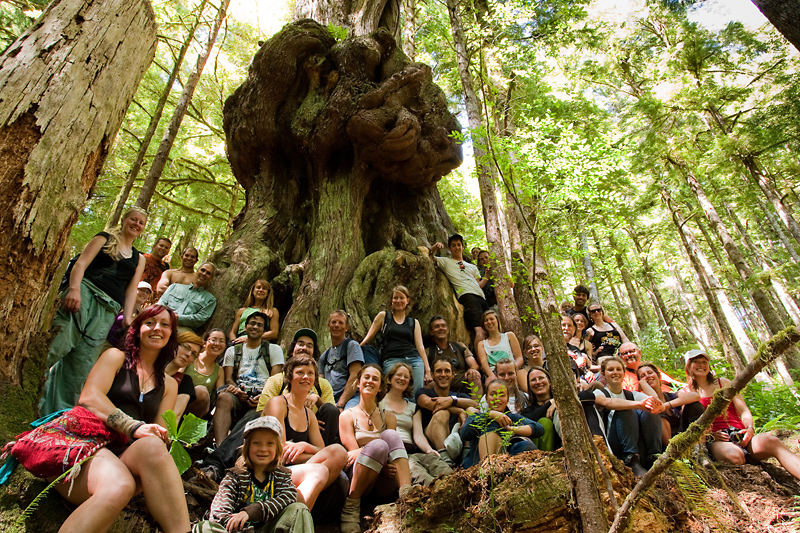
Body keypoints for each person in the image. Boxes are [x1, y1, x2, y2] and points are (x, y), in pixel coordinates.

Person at [57, 304, 189, 533]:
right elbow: (89, 397)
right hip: (89, 445)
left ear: (171, 335)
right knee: (120, 484)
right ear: (138, 329)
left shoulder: (169, 385)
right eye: (150, 322)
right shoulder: (115, 357)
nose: (157, 328)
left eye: (165, 325)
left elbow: (159, 432)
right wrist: (133, 426)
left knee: (154, 447)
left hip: (125, 455)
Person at [40, 206, 148, 415]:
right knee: (58, 345)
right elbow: (80, 264)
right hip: (85, 294)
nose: (136, 224)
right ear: (124, 220)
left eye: (141, 223)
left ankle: (55, 417)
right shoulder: (104, 239)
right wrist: (73, 290)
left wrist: (127, 319)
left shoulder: (139, 259)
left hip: (108, 310)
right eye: (133, 219)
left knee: (82, 364)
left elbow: (131, 289)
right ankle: (30, 394)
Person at [681, 350, 800, 480]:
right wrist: (710, 436)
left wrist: (749, 428)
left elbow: (743, 410)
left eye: (704, 362)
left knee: (771, 441)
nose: (701, 365)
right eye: (696, 362)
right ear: (688, 366)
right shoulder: (685, 392)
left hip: (741, 434)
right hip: (717, 441)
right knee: (734, 456)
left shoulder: (723, 383)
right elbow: (690, 425)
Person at [194, 416, 314, 533]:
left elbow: (288, 497)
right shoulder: (234, 477)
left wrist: (250, 512)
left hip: (267, 529)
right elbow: (218, 513)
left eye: (270, 443)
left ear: (278, 448)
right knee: (203, 527)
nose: (263, 449)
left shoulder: (281, 476)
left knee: (299, 509)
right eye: (256, 443)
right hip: (240, 531)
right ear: (247, 448)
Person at [265, 356, 348, 511]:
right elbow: (279, 452)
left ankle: (293, 507)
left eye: (310, 373)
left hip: (301, 472)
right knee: (321, 469)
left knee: (339, 453)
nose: (306, 377)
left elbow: (323, 451)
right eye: (300, 372)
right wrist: (312, 453)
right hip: (274, 471)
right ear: (289, 377)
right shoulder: (278, 404)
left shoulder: (309, 415)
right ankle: (292, 512)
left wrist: (303, 446)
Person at [339, 364, 411, 533]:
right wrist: (378, 455)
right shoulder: (347, 416)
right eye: (367, 377)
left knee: (391, 437)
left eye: (375, 379)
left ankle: (408, 496)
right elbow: (352, 454)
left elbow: (392, 449)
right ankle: (351, 506)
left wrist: (385, 462)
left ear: (380, 387)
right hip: (359, 478)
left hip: (385, 477)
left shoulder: (389, 417)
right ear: (358, 383)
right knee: (379, 445)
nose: (370, 381)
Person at [257, 329, 339, 446]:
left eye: (309, 346)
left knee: (330, 411)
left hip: (314, 429)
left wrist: (316, 401)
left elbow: (331, 412)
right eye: (300, 344)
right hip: (283, 425)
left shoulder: (323, 384)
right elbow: (262, 411)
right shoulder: (276, 380)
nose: (304, 348)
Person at [214, 312, 284, 445]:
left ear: (264, 330)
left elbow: (275, 380)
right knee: (223, 398)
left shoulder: (274, 349)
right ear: (245, 327)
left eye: (259, 325)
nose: (255, 327)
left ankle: (225, 451)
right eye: (252, 323)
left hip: (262, 396)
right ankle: (219, 445)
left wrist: (264, 396)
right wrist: (235, 390)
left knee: (255, 414)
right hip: (239, 393)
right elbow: (228, 378)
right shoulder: (233, 351)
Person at [380, 363, 452, 485]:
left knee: (440, 466)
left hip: (411, 451)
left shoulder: (413, 407)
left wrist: (429, 450)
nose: (402, 378)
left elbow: (418, 435)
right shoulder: (379, 403)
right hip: (393, 453)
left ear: (409, 382)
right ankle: (433, 497)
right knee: (421, 475)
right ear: (390, 378)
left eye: (406, 377)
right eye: (398, 375)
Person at [593, 357, 663, 476]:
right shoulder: (600, 392)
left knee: (651, 411)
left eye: (618, 369)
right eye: (611, 369)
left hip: (637, 442)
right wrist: (638, 405)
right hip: (616, 445)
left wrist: (642, 382)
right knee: (627, 409)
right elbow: (606, 403)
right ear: (603, 374)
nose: (615, 372)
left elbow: (656, 401)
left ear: (624, 373)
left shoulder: (631, 394)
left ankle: (654, 456)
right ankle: (631, 460)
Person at [360, 286, 431, 394]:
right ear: (391, 300)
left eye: (401, 298)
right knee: (390, 392)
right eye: (395, 298)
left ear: (407, 300)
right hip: (391, 359)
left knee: (415, 394)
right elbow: (369, 337)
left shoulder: (413, 322)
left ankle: (413, 411)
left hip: (413, 360)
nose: (398, 301)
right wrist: (356, 348)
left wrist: (428, 370)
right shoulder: (384, 317)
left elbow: (420, 346)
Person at [459, 379, 542, 468]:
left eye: (502, 395)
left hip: (507, 460)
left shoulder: (511, 418)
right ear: (486, 399)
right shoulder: (477, 417)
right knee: (493, 423)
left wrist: (510, 428)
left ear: (507, 400)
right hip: (476, 464)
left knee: (526, 445)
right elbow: (464, 433)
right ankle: (487, 469)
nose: (497, 398)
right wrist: (489, 415)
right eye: (493, 394)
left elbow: (538, 428)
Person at [429, 234, 490, 344]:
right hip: (467, 296)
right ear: (449, 248)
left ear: (462, 247)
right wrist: (434, 247)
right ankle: (481, 360)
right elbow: (427, 256)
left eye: (458, 245)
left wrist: (487, 276)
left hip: (481, 297)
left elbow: (479, 284)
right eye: (453, 246)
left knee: (489, 331)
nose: (457, 248)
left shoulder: (472, 266)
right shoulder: (446, 262)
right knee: (479, 330)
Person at [415, 358, 479, 460]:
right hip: (433, 441)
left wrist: (452, 400)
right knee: (442, 413)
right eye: (439, 371)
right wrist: (459, 411)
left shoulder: (458, 396)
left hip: (456, 439)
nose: (443, 374)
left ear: (453, 374)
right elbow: (429, 403)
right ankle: (445, 459)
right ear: (432, 375)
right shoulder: (423, 392)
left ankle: (467, 456)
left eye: (447, 371)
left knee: (471, 411)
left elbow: (476, 405)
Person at [637, 362, 701, 447]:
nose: (647, 376)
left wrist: (664, 406)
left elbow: (695, 396)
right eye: (642, 376)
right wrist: (643, 383)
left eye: (650, 373)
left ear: (658, 376)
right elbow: (655, 399)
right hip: (667, 447)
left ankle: (700, 447)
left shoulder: (671, 396)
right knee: (655, 409)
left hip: (685, 437)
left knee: (695, 406)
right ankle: (674, 453)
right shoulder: (643, 403)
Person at [426, 315, 482, 397]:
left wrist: (472, 370)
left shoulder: (459, 346)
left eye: (443, 326)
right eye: (437, 327)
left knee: (475, 375)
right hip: (441, 384)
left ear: (447, 330)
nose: (441, 328)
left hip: (462, 383)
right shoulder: (428, 352)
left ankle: (477, 407)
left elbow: (474, 364)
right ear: (431, 332)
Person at [319, 310, 364, 410]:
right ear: (328, 325)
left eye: (340, 322)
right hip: (330, 399)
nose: (336, 325)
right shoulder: (324, 356)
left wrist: (340, 404)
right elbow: (320, 383)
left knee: (347, 416)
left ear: (346, 328)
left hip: (350, 398)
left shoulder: (352, 346)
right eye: (333, 322)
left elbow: (355, 375)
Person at [157, 261, 217, 331]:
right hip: (163, 323)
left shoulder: (210, 300)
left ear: (211, 278)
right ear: (197, 271)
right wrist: (167, 316)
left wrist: (176, 317)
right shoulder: (174, 287)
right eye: (202, 270)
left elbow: (199, 319)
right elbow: (160, 304)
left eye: (208, 273)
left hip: (184, 330)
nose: (204, 274)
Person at [184, 328, 226, 418]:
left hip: (197, 410)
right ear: (204, 343)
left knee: (202, 392)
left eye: (221, 341)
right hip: (178, 399)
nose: (217, 344)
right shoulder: (192, 356)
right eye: (213, 340)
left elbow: (220, 393)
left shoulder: (219, 370)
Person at [475, 309, 523, 384]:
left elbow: (519, 358)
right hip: (494, 374)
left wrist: (510, 371)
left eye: (491, 319)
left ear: (497, 321)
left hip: (511, 370)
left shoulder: (509, 336)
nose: (489, 322)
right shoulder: (482, 344)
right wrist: (492, 375)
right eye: (486, 320)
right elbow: (484, 363)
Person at [164, 330, 203, 420]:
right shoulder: (150, 365)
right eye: (186, 347)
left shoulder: (185, 382)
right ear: (175, 345)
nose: (188, 354)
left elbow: (175, 417)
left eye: (193, 353)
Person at [519, 367, 559, 451]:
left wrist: (558, 401)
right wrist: (551, 402)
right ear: (529, 386)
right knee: (544, 422)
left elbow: (587, 395)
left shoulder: (563, 401)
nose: (538, 382)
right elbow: (528, 420)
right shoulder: (528, 411)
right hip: (543, 455)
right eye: (533, 380)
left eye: (541, 378)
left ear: (549, 381)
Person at [230, 279, 280, 344]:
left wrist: (249, 338)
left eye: (264, 288)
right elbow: (232, 332)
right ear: (253, 291)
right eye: (258, 287)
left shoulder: (272, 311)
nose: (261, 290)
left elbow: (274, 333)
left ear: (268, 293)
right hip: (240, 342)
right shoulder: (242, 311)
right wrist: (234, 343)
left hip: (259, 342)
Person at [106, 281, 153, 350]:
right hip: (104, 341)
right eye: (142, 290)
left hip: (120, 349)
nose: (144, 294)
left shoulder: (143, 314)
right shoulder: (121, 304)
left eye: (147, 292)